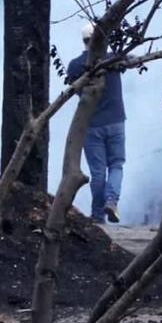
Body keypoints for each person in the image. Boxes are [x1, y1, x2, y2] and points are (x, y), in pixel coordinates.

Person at [67, 22, 126, 223]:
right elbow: (134, 61)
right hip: (116, 121)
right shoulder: (113, 59)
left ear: (84, 41)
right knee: (116, 164)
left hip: (91, 125)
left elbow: (75, 90)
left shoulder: (75, 66)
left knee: (97, 171)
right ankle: (111, 201)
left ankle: (97, 215)